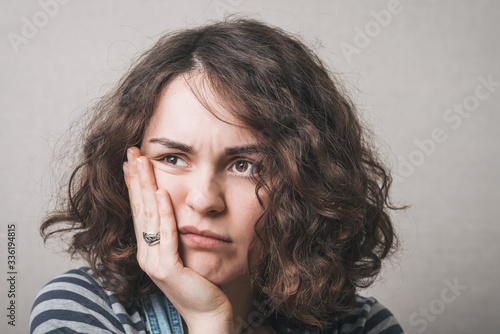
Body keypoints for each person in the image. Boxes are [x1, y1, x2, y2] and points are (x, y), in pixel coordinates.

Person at [30, 18, 404, 334]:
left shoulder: (363, 324)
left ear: (306, 186)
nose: (205, 200)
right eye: (173, 158)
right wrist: (208, 320)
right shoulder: (80, 309)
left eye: (246, 165)